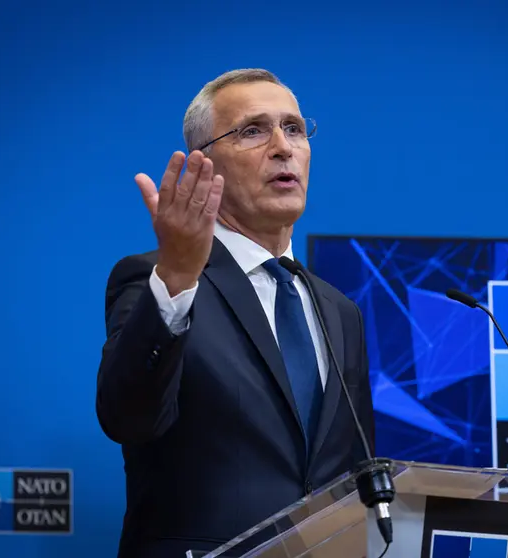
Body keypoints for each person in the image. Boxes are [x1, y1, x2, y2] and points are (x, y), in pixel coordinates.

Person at [96, 68, 375, 558]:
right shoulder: (156, 279)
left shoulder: (339, 311)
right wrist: (178, 276)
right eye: (253, 130)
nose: (283, 146)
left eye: (293, 128)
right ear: (204, 164)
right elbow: (128, 417)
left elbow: (354, 473)